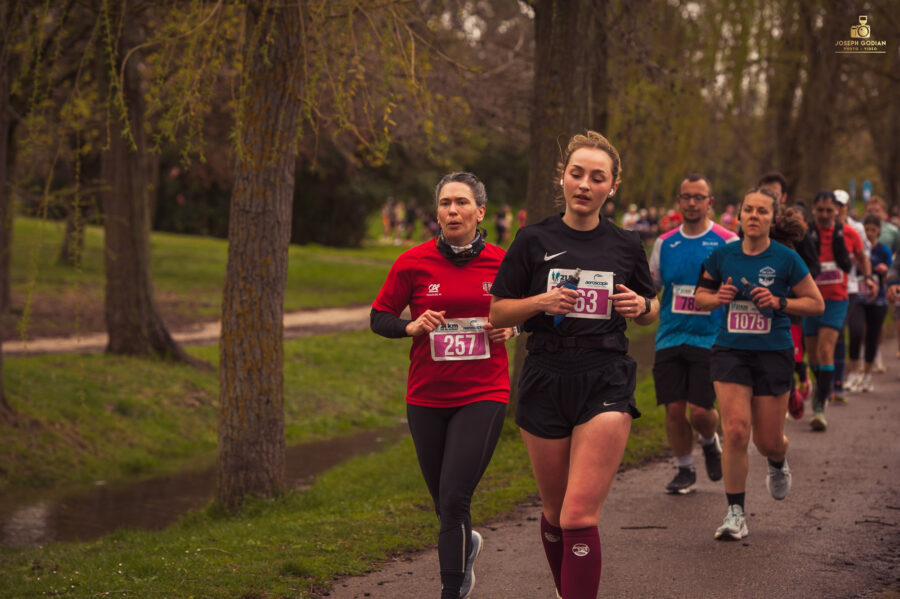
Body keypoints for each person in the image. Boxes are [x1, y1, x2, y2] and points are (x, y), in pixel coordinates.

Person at [489, 130, 659, 599]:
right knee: (553, 510)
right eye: (576, 173)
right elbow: (499, 311)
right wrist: (540, 300)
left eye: (597, 177)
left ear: (612, 187)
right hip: (544, 374)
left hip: (604, 374)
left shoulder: (626, 245)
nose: (584, 184)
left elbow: (650, 308)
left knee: (578, 514)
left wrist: (639, 307)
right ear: (562, 178)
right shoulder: (532, 239)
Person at [370, 172, 516, 599]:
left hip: (484, 392)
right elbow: (379, 317)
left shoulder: (502, 261)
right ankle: (465, 544)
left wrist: (511, 328)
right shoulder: (412, 262)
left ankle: (450, 590)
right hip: (427, 396)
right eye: (445, 203)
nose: (453, 210)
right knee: (443, 504)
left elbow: (527, 311)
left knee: (454, 499)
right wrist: (410, 325)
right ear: (437, 212)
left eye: (462, 203)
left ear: (480, 211)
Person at [694, 187, 824, 541]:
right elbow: (700, 296)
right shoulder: (722, 256)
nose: (754, 216)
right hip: (730, 350)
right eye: (748, 210)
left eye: (761, 211)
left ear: (773, 219)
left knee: (768, 441)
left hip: (773, 352)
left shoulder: (786, 259)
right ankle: (735, 512)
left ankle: (778, 459)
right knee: (736, 430)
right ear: (739, 216)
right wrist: (715, 297)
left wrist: (781, 302)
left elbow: (816, 304)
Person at [649, 174, 736, 494]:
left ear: (709, 203)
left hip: (710, 336)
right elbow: (653, 287)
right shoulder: (664, 243)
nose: (692, 203)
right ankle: (685, 469)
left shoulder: (727, 241)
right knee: (674, 408)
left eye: (698, 197)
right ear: (679, 201)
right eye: (686, 197)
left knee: (700, 411)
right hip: (670, 334)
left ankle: (710, 442)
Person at [803, 191, 874, 431]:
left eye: (829, 210)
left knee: (825, 350)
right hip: (810, 300)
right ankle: (820, 390)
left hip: (837, 299)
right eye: (820, 210)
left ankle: (821, 405)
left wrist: (868, 278)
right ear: (814, 210)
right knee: (812, 356)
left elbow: (862, 257)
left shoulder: (849, 233)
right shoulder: (806, 233)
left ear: (837, 211)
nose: (824, 215)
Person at [845, 215, 893, 392]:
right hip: (858, 296)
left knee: (872, 336)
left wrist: (885, 270)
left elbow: (893, 272)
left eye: (873, 229)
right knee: (856, 332)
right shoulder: (857, 248)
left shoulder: (884, 251)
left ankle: (866, 375)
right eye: (867, 229)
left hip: (878, 299)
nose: (870, 233)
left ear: (879, 230)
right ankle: (853, 373)